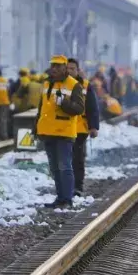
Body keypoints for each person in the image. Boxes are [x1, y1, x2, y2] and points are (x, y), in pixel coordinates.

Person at [36, 56, 84, 208]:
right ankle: (60, 198)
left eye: (58, 66)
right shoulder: (46, 83)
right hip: (48, 131)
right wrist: (36, 126)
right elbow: (42, 107)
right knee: (55, 168)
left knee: (64, 166)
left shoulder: (74, 85)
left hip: (64, 132)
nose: (55, 69)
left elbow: (79, 109)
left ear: (65, 67)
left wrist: (64, 102)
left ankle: (67, 199)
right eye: (53, 66)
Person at [67, 58, 100, 197]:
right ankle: (65, 186)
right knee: (64, 160)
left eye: (72, 69)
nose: (69, 71)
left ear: (78, 70)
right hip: (63, 129)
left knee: (77, 158)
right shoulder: (59, 85)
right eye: (67, 68)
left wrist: (94, 127)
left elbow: (92, 107)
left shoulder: (86, 85)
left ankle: (77, 186)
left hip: (80, 129)